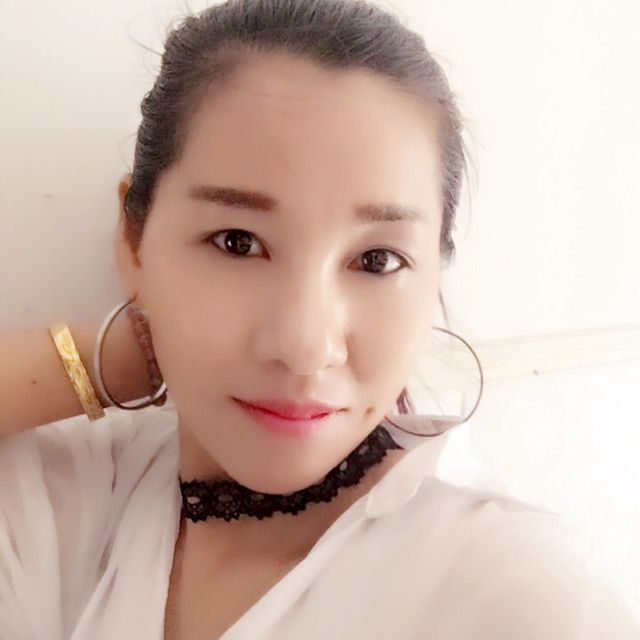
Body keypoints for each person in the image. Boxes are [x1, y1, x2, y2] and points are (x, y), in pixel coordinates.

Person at [1, 0, 639, 638]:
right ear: (134, 239)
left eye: (378, 260)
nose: (305, 346)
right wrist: (126, 357)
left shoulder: (519, 593)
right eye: (237, 243)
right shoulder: (79, 499)